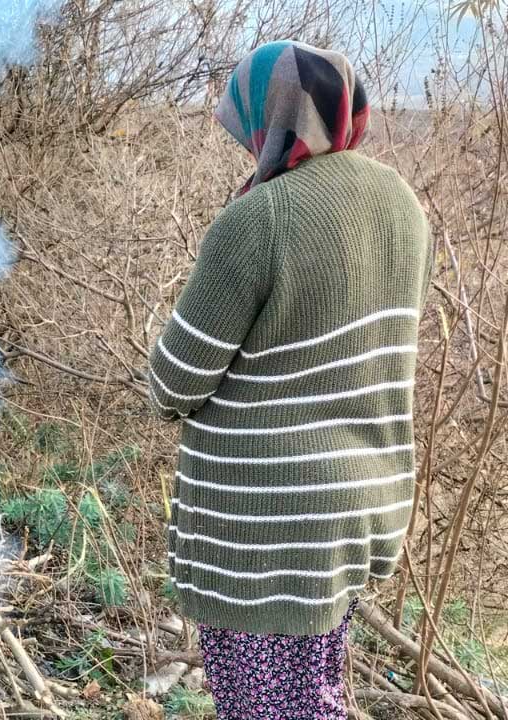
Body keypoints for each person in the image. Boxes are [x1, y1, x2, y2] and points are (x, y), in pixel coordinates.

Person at [147, 42, 430, 720]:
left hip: (267, 529)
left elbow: (175, 383)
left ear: (270, 120)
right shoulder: (401, 205)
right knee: (310, 695)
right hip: (354, 506)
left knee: (271, 707)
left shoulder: (259, 220)